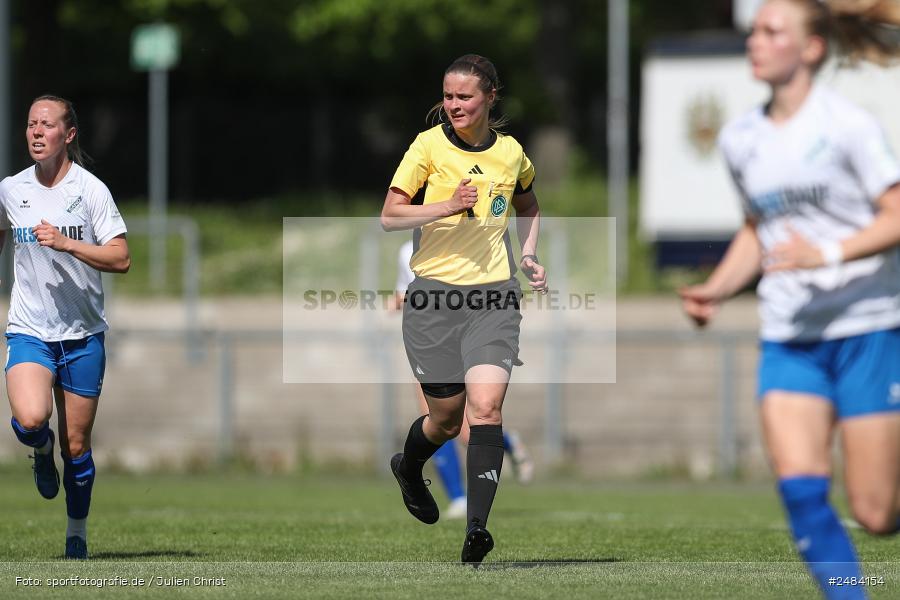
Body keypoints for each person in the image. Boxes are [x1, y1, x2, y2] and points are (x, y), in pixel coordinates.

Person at [679, 2, 900, 598]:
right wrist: (718, 288)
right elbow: (758, 229)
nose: (756, 41)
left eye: (773, 31)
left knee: (878, 514)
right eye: (754, 31)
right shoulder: (739, 138)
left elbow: (897, 214)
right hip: (790, 336)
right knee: (802, 490)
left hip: (867, 327)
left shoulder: (847, 125)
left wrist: (825, 255)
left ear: (811, 49)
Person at [382, 54, 546, 565]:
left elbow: (528, 206)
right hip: (433, 298)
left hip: (494, 298)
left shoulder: (512, 153)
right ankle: (409, 467)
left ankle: (477, 529)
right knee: (446, 421)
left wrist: (528, 254)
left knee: (487, 408)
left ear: (490, 97)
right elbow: (390, 215)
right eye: (448, 96)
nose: (453, 104)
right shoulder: (428, 146)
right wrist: (448, 205)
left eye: (465, 96)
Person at [2, 95, 130, 560]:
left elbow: (121, 258)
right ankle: (40, 449)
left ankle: (76, 533)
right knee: (32, 420)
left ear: (68, 135)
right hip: (30, 331)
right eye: (31, 124)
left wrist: (67, 244)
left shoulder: (90, 190)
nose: (36, 132)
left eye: (47, 125)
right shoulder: (10, 190)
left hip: (82, 336)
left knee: (77, 448)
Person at [392, 240, 536, 521]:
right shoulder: (408, 251)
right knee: (444, 422)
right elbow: (405, 294)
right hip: (432, 340)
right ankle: (459, 495)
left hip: (470, 338)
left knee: (466, 425)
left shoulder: (475, 240)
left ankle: (471, 490)